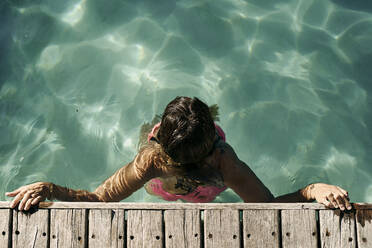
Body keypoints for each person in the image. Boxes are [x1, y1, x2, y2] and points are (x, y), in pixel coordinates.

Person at [5, 96, 352, 211]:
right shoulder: (218, 163)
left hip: (168, 187)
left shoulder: (215, 163)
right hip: (182, 190)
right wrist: (307, 191)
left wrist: (313, 190)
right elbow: (269, 205)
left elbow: (98, 200)